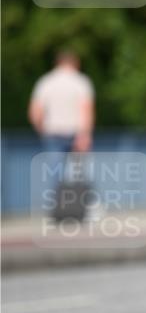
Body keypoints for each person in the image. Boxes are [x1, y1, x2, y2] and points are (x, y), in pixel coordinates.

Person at [28, 50, 95, 215]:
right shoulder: (80, 82)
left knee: (54, 172)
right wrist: (85, 134)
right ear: (75, 63)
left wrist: (42, 129)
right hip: (75, 132)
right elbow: (86, 109)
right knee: (80, 173)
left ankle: (54, 210)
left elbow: (35, 112)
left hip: (52, 132)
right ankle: (84, 208)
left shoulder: (45, 82)